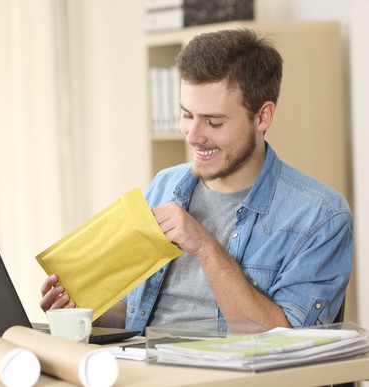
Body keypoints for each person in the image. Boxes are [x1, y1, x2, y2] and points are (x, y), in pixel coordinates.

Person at [39, 29, 353, 333]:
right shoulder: (164, 185)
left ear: (262, 117)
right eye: (187, 115)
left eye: (213, 122)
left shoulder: (320, 216)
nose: (193, 136)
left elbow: (289, 346)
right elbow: (134, 315)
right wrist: (82, 311)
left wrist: (204, 246)